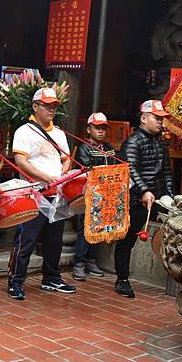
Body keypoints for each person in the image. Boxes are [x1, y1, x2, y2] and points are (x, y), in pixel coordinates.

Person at [7, 87, 76, 300]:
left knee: (54, 239)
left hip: (56, 193)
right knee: (26, 238)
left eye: (54, 106)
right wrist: (45, 178)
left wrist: (62, 175)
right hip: (33, 193)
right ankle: (16, 281)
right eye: (47, 105)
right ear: (35, 106)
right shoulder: (24, 131)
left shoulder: (59, 133)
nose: (51, 109)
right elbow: (20, 161)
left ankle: (51, 277)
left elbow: (66, 158)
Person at [115, 100, 173, 298]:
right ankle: (122, 279)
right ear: (143, 118)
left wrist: (170, 197)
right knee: (127, 240)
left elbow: (167, 173)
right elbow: (130, 170)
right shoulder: (132, 142)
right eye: (156, 118)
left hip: (156, 199)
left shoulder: (161, 143)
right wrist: (144, 191)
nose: (160, 122)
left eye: (161, 119)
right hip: (136, 199)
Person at [72, 112, 115, 281]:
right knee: (85, 229)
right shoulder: (83, 148)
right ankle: (79, 263)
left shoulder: (109, 148)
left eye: (103, 128)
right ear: (89, 129)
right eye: (97, 128)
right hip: (88, 195)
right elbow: (84, 171)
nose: (101, 131)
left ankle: (91, 260)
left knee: (99, 228)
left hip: (105, 195)